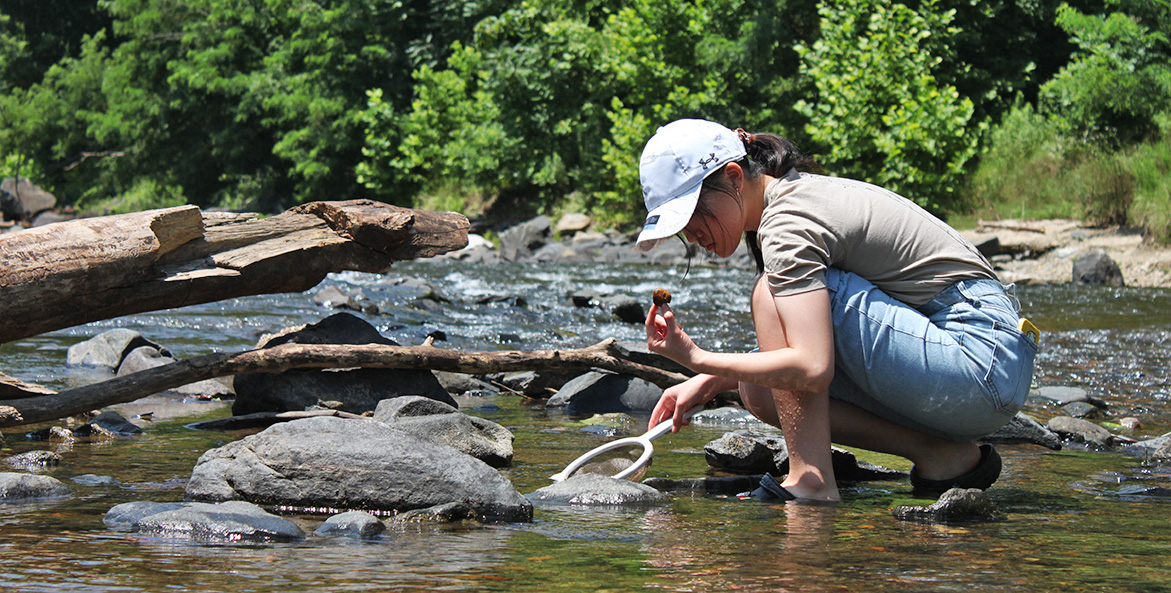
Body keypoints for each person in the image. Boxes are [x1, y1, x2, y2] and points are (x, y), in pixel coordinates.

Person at [638, 119, 1037, 502]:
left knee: (767, 295)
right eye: (680, 227)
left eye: (692, 215)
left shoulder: (786, 224)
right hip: (989, 371)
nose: (691, 234)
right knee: (760, 392)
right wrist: (712, 378)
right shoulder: (794, 198)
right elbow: (812, 350)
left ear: (734, 178)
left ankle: (810, 481)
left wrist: (696, 358)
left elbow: (811, 367)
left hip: (978, 359)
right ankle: (942, 457)